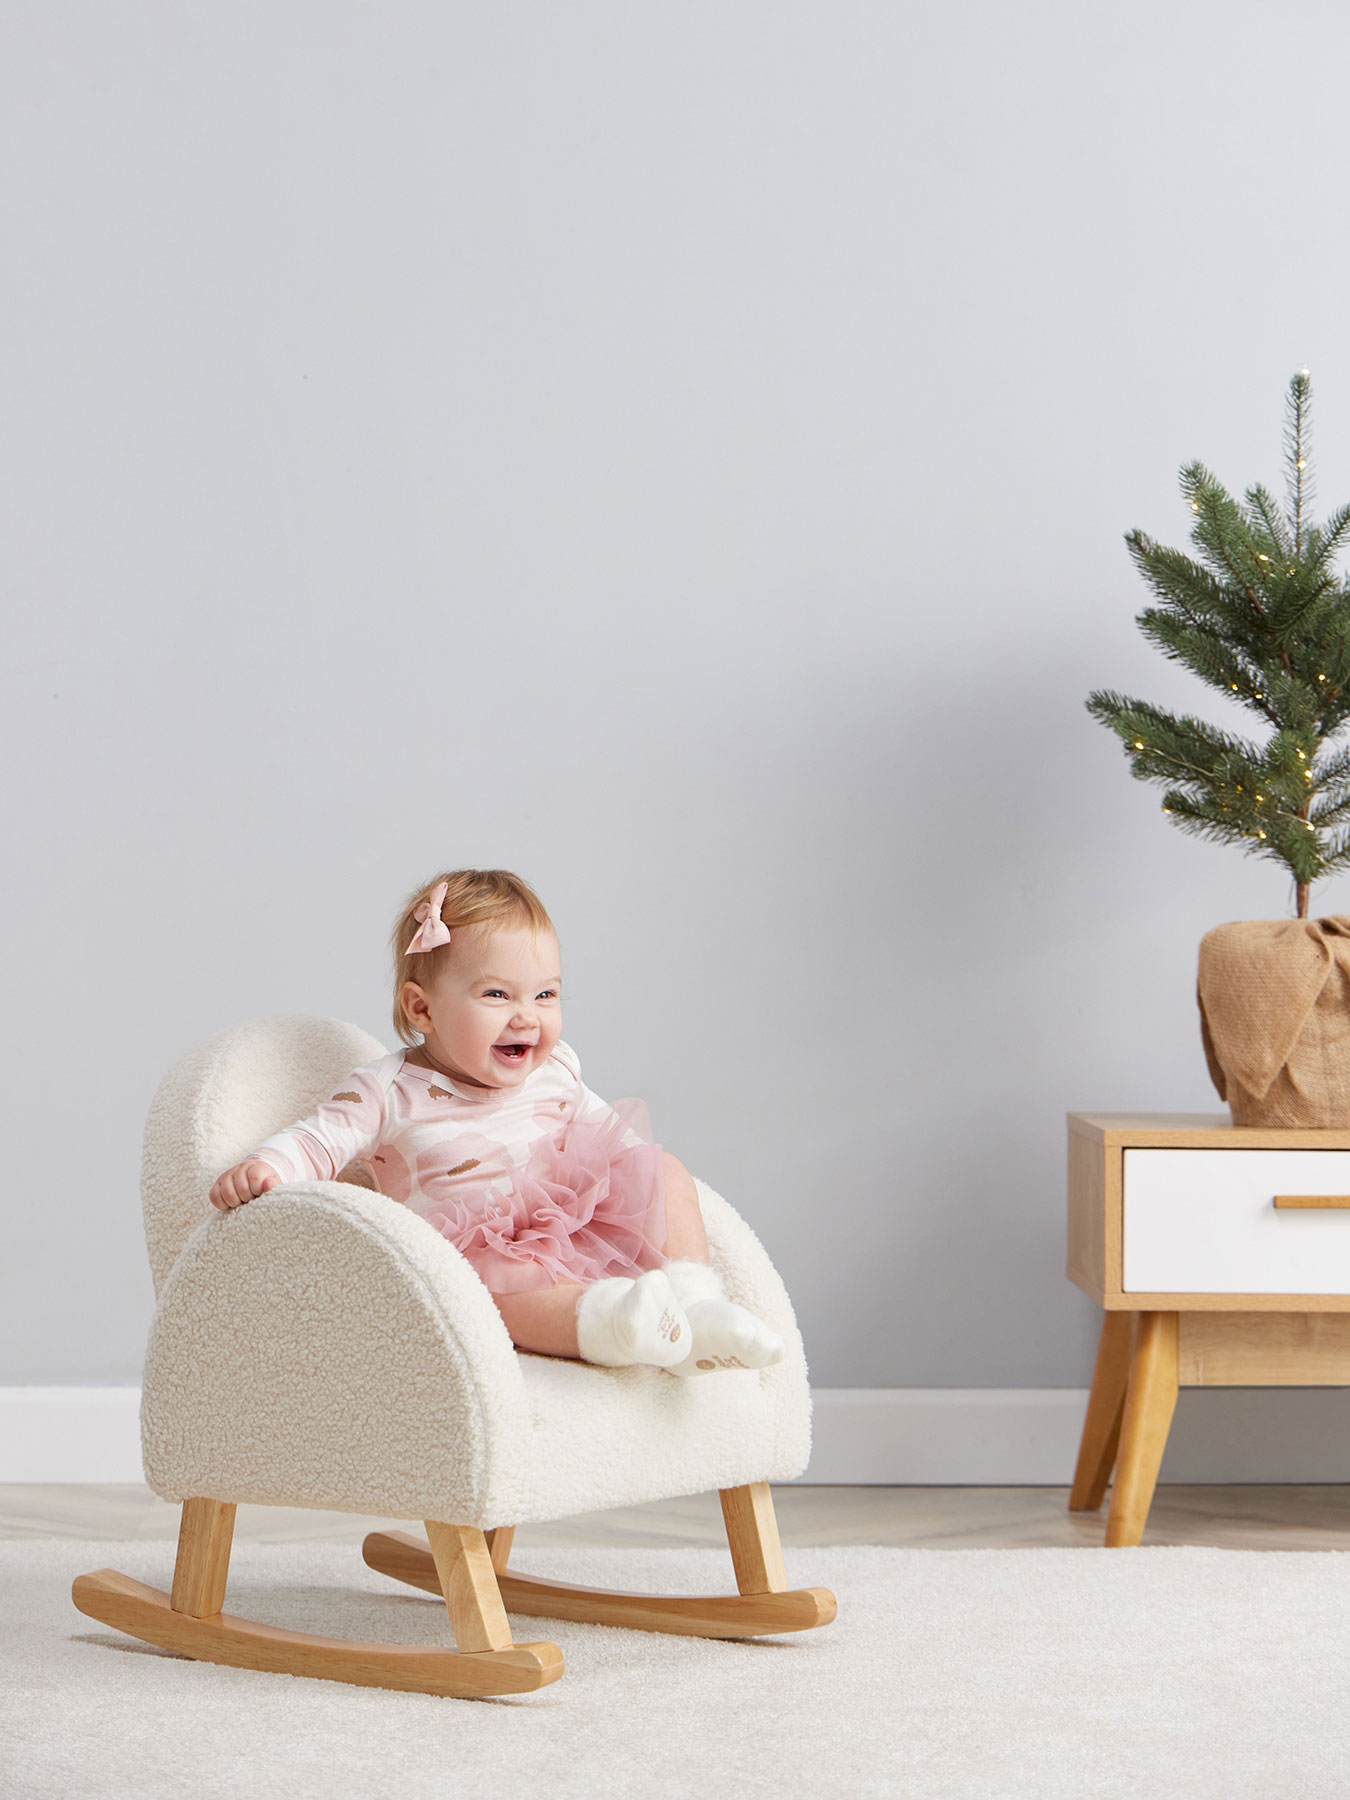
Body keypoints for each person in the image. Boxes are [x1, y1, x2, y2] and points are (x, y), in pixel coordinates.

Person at [208, 868, 785, 1377]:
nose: (527, 1017)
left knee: (664, 1170)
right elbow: (320, 1138)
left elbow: (618, 1145)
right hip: (482, 1255)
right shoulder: (388, 1090)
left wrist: (645, 1191)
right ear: (422, 1008)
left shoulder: (557, 1071)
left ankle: (696, 1305)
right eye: (497, 994)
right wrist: (268, 1167)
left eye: (545, 994)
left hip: (575, 1225)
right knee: (489, 1288)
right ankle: (610, 1325)